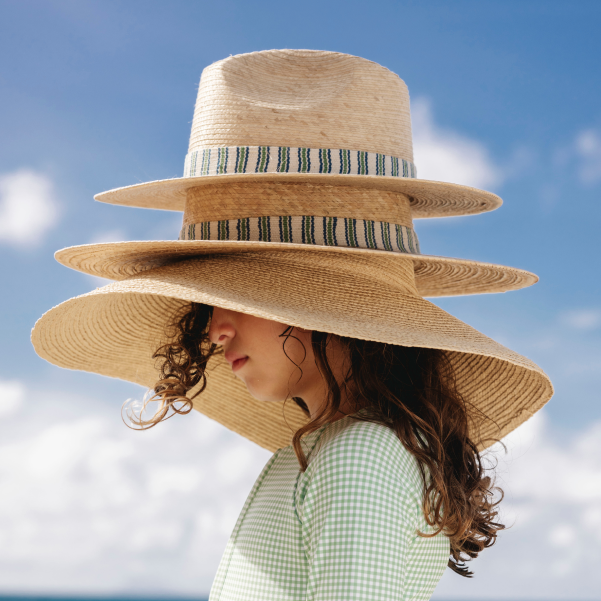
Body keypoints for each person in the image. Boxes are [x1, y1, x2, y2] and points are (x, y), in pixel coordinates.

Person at [32, 49, 553, 600]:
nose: (214, 331)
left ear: (319, 305)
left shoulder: (359, 456)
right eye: (208, 304)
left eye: (236, 296)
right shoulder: (333, 449)